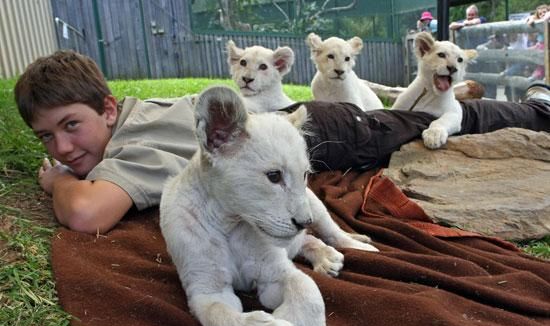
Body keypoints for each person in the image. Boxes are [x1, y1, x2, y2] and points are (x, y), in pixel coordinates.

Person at [14, 50, 550, 234]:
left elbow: (87, 214)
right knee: (411, 115)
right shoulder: (133, 117)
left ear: (108, 109)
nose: (60, 147)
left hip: (320, 130)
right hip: (295, 125)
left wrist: (58, 182)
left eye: (70, 125)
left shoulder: (134, 144)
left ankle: (536, 110)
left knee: (421, 118)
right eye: (46, 137)